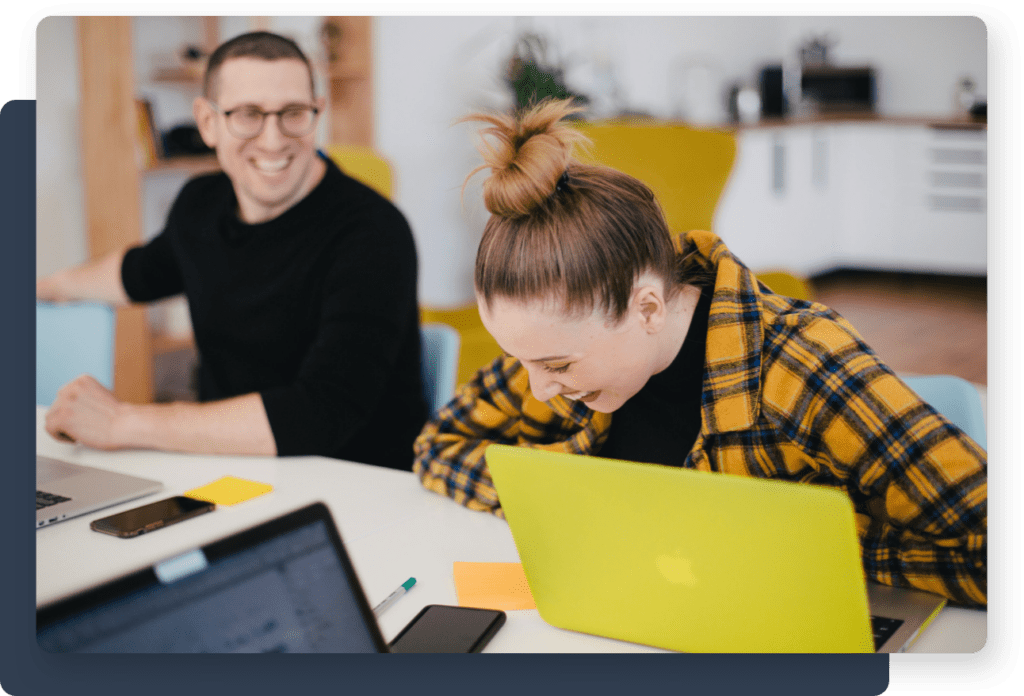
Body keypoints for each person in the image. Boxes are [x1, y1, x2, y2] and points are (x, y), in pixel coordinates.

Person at [412, 98, 988, 607]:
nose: (538, 388)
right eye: (524, 361)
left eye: (557, 366)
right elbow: (438, 447)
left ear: (647, 309)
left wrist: (823, 548)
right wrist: (566, 502)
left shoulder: (802, 364)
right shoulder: (559, 354)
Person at [37, 31, 427, 470]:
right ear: (207, 122)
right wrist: (44, 286)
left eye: (293, 113)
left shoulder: (373, 233)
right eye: (248, 115)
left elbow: (320, 412)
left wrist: (123, 422)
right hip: (227, 471)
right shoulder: (200, 204)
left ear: (316, 113)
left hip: (356, 487)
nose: (273, 140)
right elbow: (140, 272)